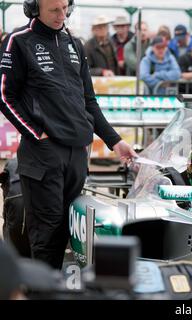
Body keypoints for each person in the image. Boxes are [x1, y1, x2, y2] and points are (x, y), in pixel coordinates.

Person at [0, 0, 137, 269]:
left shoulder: (75, 44)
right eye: (54, 9)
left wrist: (115, 141)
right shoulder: (18, 40)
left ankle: (57, 288)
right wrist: (36, 134)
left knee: (66, 231)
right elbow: (4, 95)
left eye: (65, 8)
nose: (62, 15)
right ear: (34, 7)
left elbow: (89, 101)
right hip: (43, 155)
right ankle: (42, 291)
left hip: (77, 155)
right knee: (46, 235)